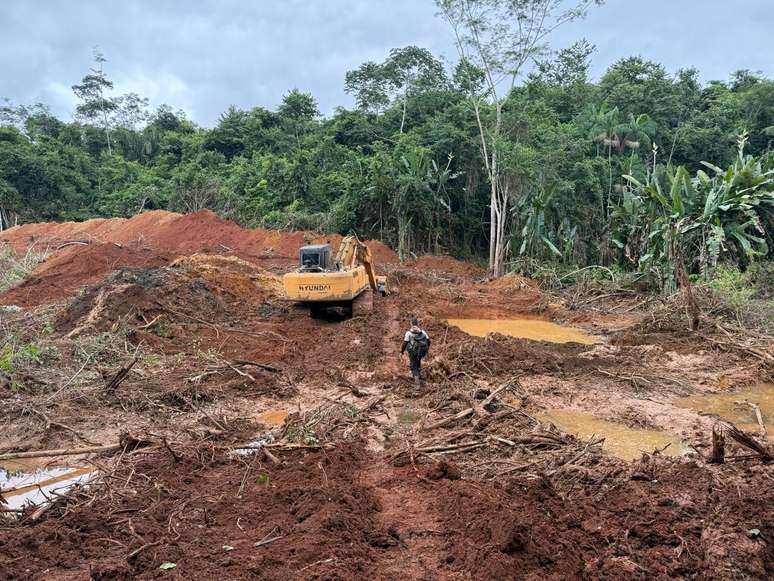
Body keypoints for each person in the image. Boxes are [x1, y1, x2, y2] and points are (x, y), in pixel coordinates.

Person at [400, 317, 430, 389]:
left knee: (413, 366)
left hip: (412, 353)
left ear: (411, 324)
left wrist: (401, 351)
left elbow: (405, 343)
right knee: (418, 363)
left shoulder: (409, 333)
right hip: (421, 352)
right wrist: (425, 349)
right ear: (417, 323)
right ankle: (419, 377)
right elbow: (429, 341)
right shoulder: (422, 332)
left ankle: (417, 385)